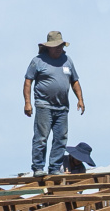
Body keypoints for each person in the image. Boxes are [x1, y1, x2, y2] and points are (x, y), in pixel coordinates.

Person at [24, 31, 85, 177]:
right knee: (41, 138)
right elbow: (28, 81)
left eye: (61, 46)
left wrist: (80, 99)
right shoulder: (38, 61)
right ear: (48, 47)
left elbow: (75, 81)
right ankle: (38, 167)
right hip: (44, 105)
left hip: (62, 107)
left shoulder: (67, 60)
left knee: (61, 138)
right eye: (56, 46)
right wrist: (27, 103)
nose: (59, 49)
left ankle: (55, 168)